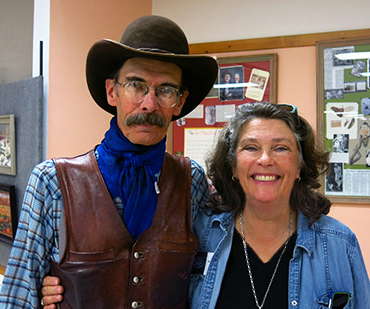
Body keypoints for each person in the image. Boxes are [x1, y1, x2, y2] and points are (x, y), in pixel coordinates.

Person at [0, 15, 218, 308]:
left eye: (165, 90)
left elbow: (205, 282)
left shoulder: (192, 182)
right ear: (112, 91)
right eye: (135, 85)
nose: (149, 104)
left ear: (179, 102)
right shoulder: (52, 181)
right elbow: (17, 296)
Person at [188, 103, 370, 308]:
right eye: (251, 147)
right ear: (233, 166)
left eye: (281, 148)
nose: (265, 159)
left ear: (300, 166)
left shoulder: (340, 244)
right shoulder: (200, 235)